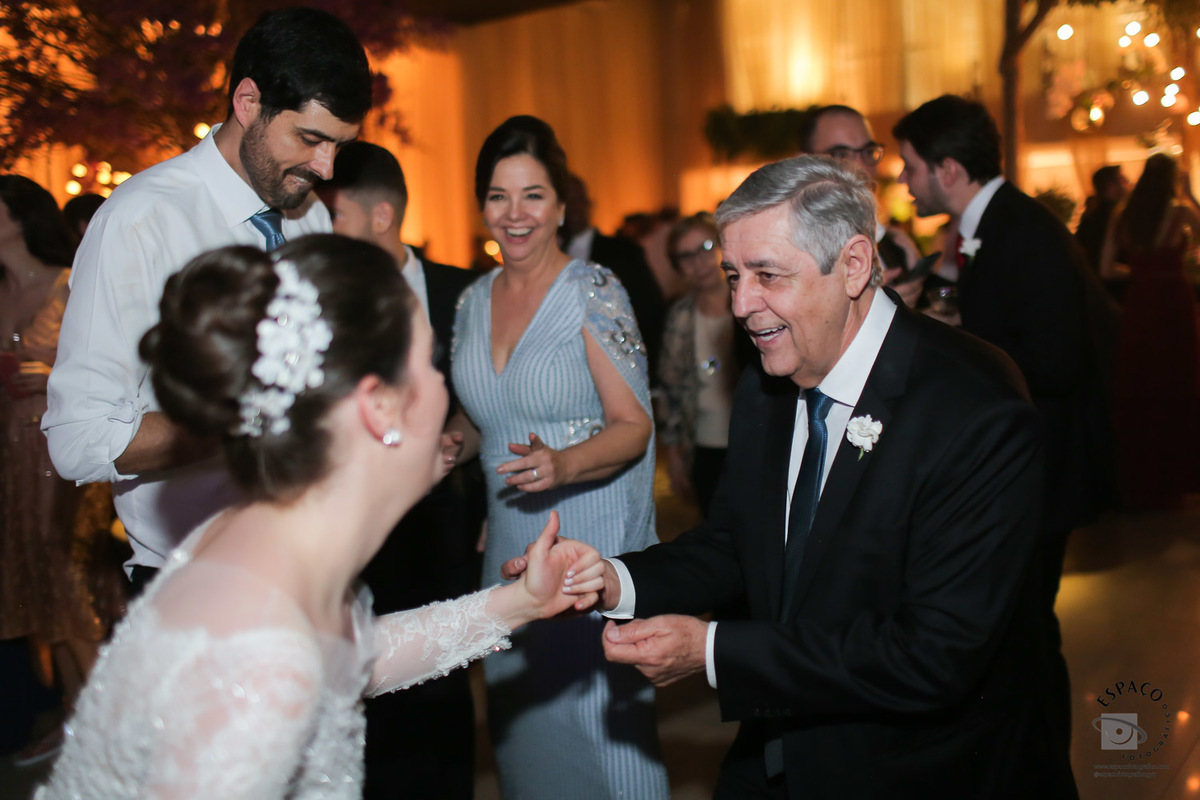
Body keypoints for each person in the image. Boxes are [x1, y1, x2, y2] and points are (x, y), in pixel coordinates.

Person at [504, 156, 1075, 798]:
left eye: (767, 275)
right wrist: (611, 579)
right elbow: (736, 544)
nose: (742, 305)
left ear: (853, 266)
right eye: (732, 276)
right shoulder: (770, 381)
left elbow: (933, 655)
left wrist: (713, 652)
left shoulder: (976, 410)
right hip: (784, 753)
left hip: (929, 769)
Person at [36, 234, 605, 799]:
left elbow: (347, 656)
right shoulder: (258, 650)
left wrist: (519, 602)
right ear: (378, 406)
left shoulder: (273, 533)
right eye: (431, 365)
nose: (444, 387)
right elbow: (283, 666)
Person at [42, 8, 372, 597]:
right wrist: (251, 423)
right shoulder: (139, 221)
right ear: (248, 102)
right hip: (192, 586)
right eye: (310, 138)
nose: (325, 168)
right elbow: (77, 438)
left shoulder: (309, 212)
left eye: (339, 147)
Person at [894, 94, 1116, 777]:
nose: (904, 182)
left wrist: (968, 346)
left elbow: (1055, 360)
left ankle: (1045, 772)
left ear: (949, 169)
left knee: (1026, 638)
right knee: (1018, 634)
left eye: (910, 167)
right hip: (1027, 472)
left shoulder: (1024, 233)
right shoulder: (995, 228)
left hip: (1043, 474)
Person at [451, 115, 668, 799]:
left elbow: (634, 425)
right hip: (509, 552)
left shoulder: (593, 291)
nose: (515, 215)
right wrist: (447, 440)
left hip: (587, 552)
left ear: (562, 204)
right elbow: (490, 413)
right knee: (526, 745)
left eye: (533, 195)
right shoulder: (470, 300)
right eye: (498, 196)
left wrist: (565, 463)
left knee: (605, 747)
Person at [316, 141, 482, 799]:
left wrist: (453, 448)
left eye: (335, 215)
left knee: (438, 684)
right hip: (346, 524)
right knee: (358, 685)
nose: (324, 230)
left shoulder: (461, 291)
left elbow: (483, 402)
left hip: (440, 521)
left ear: (379, 215)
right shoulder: (324, 296)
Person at [0, 175, 125, 767]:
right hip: (8, 453)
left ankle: (108, 731)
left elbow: (108, 370)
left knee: (71, 585)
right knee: (39, 589)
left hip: (57, 451)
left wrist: (47, 378)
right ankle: (78, 719)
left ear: (20, 218)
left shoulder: (66, 284)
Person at [1101, 153, 1200, 510]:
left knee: (1142, 384)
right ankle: (1176, 477)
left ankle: (1138, 478)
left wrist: (1141, 273)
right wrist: (1190, 196)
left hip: (1141, 303)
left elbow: (1107, 268)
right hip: (1174, 299)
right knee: (1178, 383)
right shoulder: (1179, 211)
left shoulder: (1123, 215)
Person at [657, 211, 744, 515]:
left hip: (752, 441)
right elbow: (669, 390)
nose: (699, 262)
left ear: (722, 246)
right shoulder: (679, 317)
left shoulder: (751, 303)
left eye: (706, 248)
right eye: (686, 256)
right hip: (702, 446)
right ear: (677, 266)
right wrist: (674, 457)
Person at [798, 105, 926, 308]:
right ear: (805, 162)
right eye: (840, 154)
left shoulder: (892, 243)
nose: (860, 167)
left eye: (867, 152)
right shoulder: (791, 243)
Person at [562, 173, 667, 377]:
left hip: (616, 368)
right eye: (566, 201)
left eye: (577, 201)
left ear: (589, 204)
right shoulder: (549, 256)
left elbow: (649, 312)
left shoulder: (624, 253)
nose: (573, 208)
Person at [1075, 165, 1128, 274]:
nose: (1127, 182)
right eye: (1121, 179)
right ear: (1110, 186)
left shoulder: (1090, 216)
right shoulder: (1113, 216)